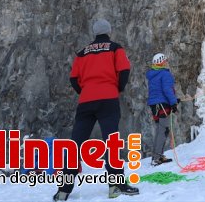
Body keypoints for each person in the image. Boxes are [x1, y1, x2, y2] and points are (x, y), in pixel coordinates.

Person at [53, 19, 140, 200]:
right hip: (108, 98)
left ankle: (63, 191)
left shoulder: (82, 52)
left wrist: (85, 91)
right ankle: (115, 186)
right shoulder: (115, 48)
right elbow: (124, 70)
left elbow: (73, 79)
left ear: (95, 33)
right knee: (111, 142)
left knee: (75, 145)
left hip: (86, 101)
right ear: (109, 31)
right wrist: (117, 88)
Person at [146, 52, 179, 166]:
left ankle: (157, 156)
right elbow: (167, 89)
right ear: (161, 62)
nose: (166, 62)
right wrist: (173, 103)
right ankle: (157, 158)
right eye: (165, 61)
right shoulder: (164, 74)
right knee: (163, 131)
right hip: (163, 105)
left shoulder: (153, 74)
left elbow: (158, 91)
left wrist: (175, 99)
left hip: (154, 105)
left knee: (160, 130)